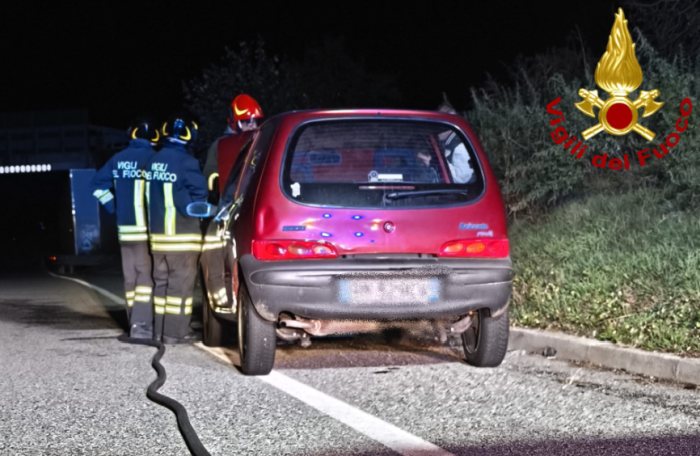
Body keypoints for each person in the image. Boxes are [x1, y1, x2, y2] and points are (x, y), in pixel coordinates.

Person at [90, 119, 158, 339]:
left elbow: (96, 185)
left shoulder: (118, 159)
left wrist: (113, 207)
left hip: (125, 230)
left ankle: (133, 323)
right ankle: (143, 326)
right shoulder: (154, 158)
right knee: (145, 280)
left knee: (130, 280)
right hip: (145, 230)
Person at [147, 116, 208, 343]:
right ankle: (175, 333)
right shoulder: (187, 162)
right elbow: (199, 197)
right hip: (181, 238)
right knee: (179, 289)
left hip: (157, 239)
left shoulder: (153, 161)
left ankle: (159, 331)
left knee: (161, 287)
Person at [201, 94, 263, 312]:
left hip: (251, 209)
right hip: (227, 210)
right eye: (246, 121)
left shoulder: (261, 142)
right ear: (234, 122)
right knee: (215, 256)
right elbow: (210, 180)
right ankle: (221, 300)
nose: (252, 125)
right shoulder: (221, 147)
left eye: (255, 121)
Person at [437, 100, 474, 184]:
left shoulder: (459, 147)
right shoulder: (448, 143)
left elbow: (461, 179)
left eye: (440, 123)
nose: (436, 128)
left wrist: (438, 162)